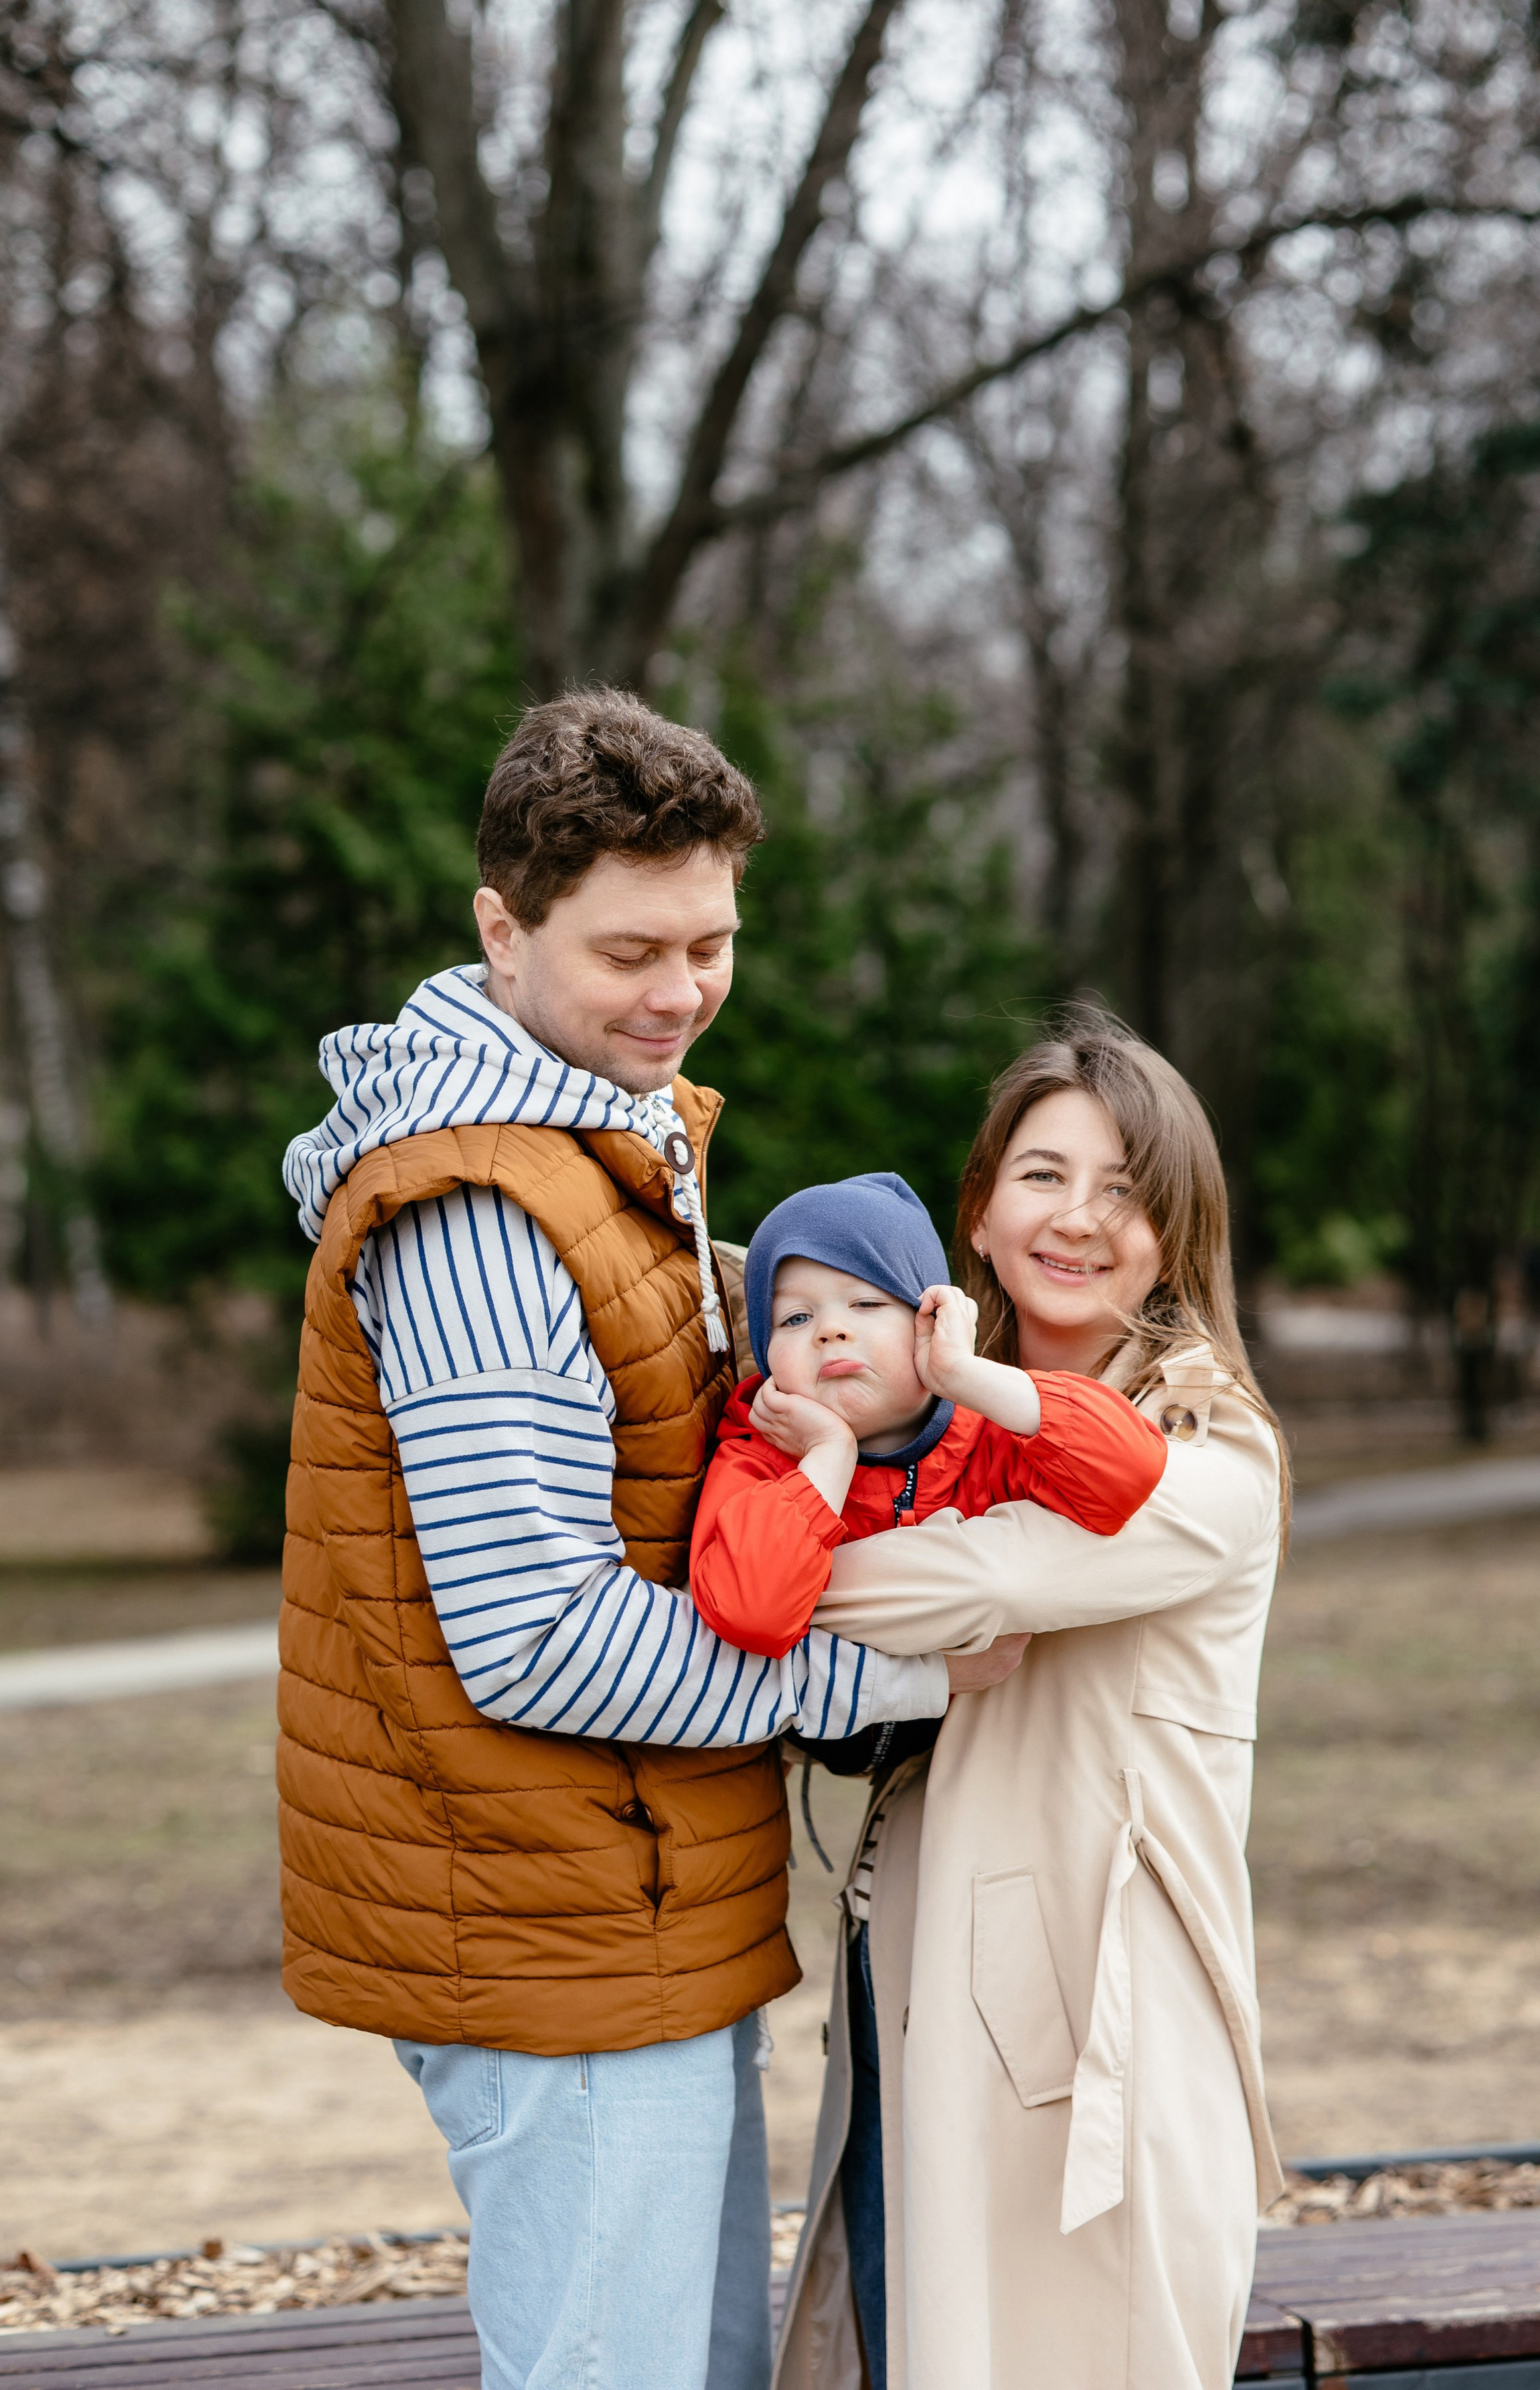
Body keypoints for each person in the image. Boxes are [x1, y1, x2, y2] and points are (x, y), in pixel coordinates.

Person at [274, 688, 1026, 2390]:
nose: (679, 991)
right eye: (628, 951)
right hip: (553, 1926)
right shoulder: (478, 1217)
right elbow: (538, 1637)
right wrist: (895, 1669)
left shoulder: (602, 1151)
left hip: (632, 1901)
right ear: (503, 928)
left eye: (710, 942)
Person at [774, 1013, 1289, 2390]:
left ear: (1175, 1235)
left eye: (1126, 1192)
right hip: (911, 1995)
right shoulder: (927, 1440)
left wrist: (770, 1556)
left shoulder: (1211, 1451)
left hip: (1090, 2041)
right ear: (982, 1214)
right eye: (1045, 1176)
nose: (1080, 1220)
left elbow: (975, 1579)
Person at [688, 1170, 1168, 1658]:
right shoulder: (756, 1465)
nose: (830, 1329)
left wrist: (962, 1372)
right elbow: (751, 1617)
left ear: (930, 1321)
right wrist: (829, 1455)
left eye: (867, 1302)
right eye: (796, 1318)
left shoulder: (994, 1441)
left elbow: (1129, 1473)